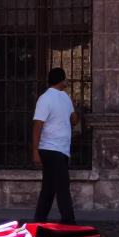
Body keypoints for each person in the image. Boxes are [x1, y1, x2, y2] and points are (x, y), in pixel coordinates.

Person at [32, 66, 79, 224]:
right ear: (63, 80)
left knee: (49, 188)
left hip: (61, 149)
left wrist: (70, 103)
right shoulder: (45, 98)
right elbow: (37, 125)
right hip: (50, 148)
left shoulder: (65, 97)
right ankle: (68, 221)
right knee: (62, 186)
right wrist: (35, 151)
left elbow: (73, 120)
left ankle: (39, 220)